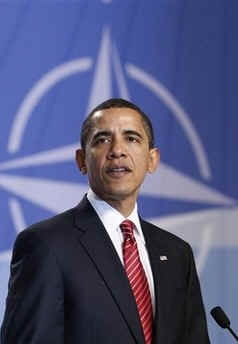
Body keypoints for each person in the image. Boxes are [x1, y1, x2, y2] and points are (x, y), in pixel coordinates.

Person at [0, 98, 210, 344]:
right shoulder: (46, 245)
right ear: (81, 160)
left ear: (152, 159)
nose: (117, 150)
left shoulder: (177, 254)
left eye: (131, 138)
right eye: (102, 140)